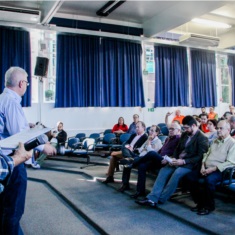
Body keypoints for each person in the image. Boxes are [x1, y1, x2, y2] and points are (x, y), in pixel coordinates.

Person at [0, 67, 56, 235]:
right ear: (21, 83)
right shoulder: (11, 102)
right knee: (13, 211)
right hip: (13, 163)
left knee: (5, 209)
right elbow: (20, 137)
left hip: (4, 163)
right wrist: (43, 146)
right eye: (27, 83)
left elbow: (13, 128)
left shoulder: (3, 99)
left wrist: (28, 126)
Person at [136, 116, 209, 208]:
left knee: (177, 173)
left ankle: (161, 198)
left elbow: (200, 156)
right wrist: (172, 158)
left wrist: (183, 161)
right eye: (184, 128)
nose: (185, 130)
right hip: (177, 160)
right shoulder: (185, 134)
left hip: (190, 164)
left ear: (193, 125)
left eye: (186, 128)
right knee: (164, 170)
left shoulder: (202, 138)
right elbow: (177, 149)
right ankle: (152, 198)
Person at [186, 120, 235, 215]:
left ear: (228, 130)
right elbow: (206, 154)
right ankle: (200, 203)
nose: (218, 130)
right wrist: (203, 166)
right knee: (190, 177)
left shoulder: (232, 143)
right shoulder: (215, 141)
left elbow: (230, 162)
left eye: (221, 128)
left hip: (221, 171)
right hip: (206, 167)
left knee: (208, 181)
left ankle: (209, 206)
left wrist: (212, 169)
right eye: (218, 128)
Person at [128, 122, 181, 199]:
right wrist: (158, 155)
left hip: (166, 160)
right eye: (170, 129)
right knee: (142, 166)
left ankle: (134, 162)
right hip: (160, 158)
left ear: (179, 130)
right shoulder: (168, 138)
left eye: (173, 129)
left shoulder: (178, 139)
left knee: (151, 153)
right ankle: (140, 191)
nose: (170, 130)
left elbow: (176, 153)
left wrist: (166, 158)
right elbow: (161, 150)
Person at [118, 125, 162, 193]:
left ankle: (130, 161)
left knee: (133, 164)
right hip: (139, 156)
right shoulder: (148, 139)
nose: (150, 132)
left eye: (152, 131)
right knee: (124, 147)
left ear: (157, 133)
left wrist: (148, 144)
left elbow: (151, 152)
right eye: (150, 130)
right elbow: (140, 149)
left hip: (146, 159)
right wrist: (132, 148)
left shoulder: (158, 142)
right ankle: (125, 184)